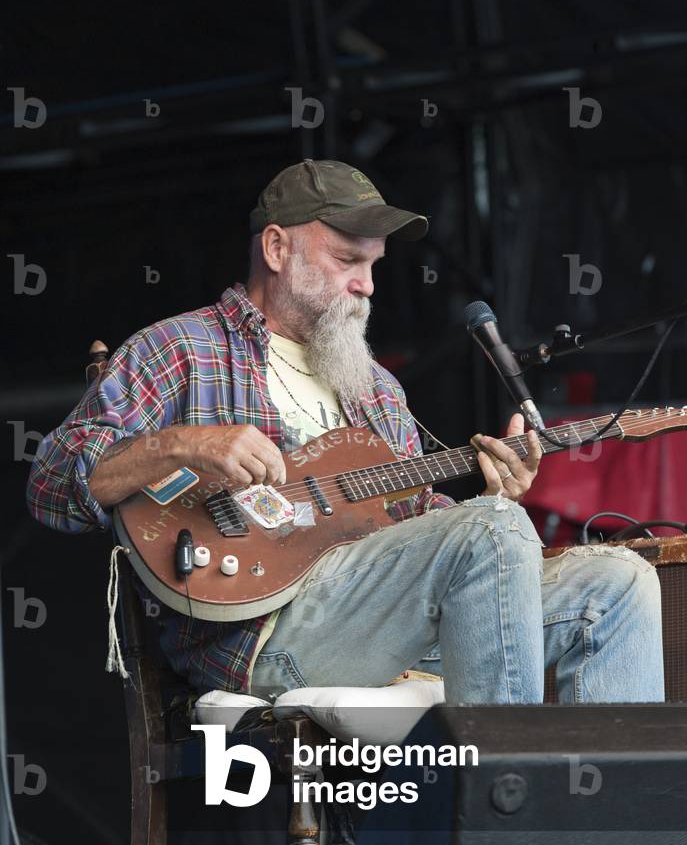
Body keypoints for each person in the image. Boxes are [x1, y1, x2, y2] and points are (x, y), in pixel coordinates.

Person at [26, 159, 664, 704]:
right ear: (276, 249)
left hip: (384, 626)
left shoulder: (375, 388)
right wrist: (185, 443)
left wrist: (498, 498)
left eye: (374, 265)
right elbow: (51, 484)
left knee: (620, 583)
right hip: (262, 635)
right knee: (491, 530)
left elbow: (421, 530)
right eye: (346, 260)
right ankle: (502, 792)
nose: (366, 285)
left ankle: (600, 815)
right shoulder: (182, 350)